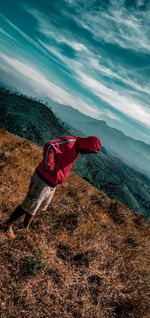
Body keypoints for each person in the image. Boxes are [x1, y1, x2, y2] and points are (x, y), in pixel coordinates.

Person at [5, 135, 101, 238]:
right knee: (29, 204)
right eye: (89, 151)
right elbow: (49, 145)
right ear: (87, 145)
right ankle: (8, 225)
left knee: (35, 206)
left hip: (51, 183)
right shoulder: (70, 142)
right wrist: (49, 167)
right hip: (43, 180)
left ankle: (24, 227)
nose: (88, 153)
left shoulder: (77, 148)